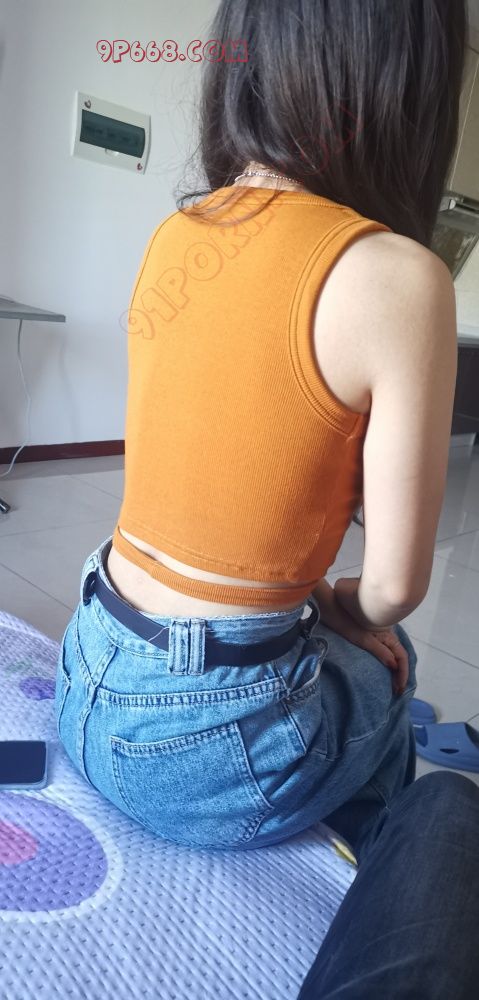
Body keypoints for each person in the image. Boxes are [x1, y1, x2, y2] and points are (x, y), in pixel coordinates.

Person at [55, 0, 478, 995]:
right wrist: (345, 607)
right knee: (387, 660)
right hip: (208, 747)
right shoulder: (401, 277)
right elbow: (394, 587)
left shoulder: (178, 230)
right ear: (410, 87)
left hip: (89, 669)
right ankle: (362, 872)